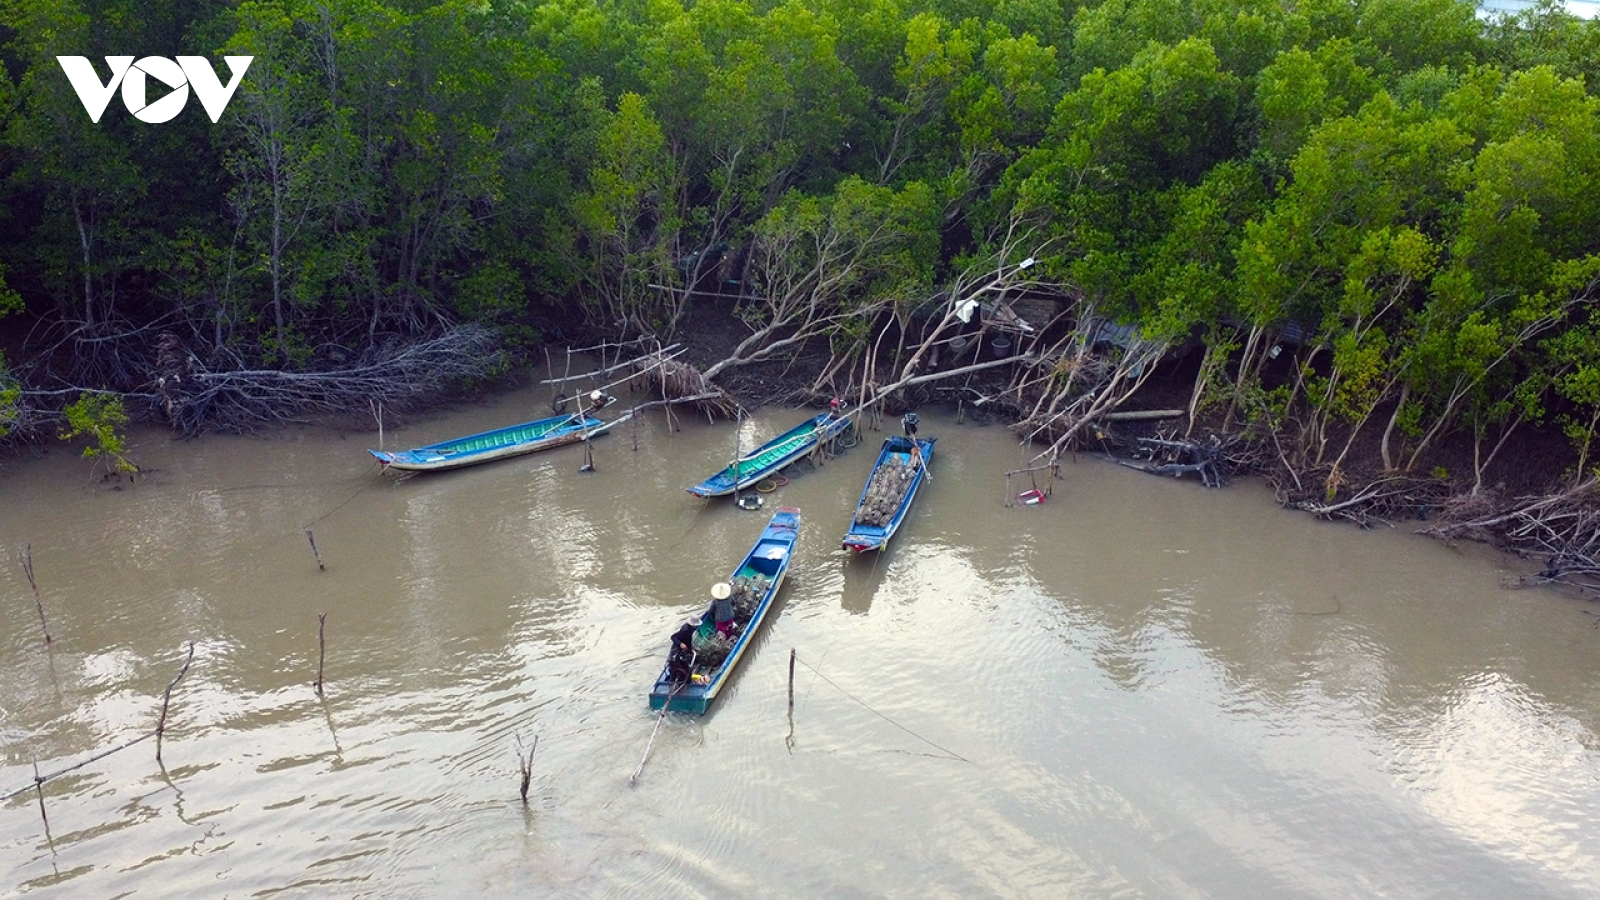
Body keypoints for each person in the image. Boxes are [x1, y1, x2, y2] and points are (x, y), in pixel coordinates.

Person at [667, 619, 697, 683]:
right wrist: (680, 644)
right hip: (677, 649)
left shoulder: (691, 629)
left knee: (686, 660)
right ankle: (674, 679)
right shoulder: (685, 629)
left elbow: (688, 640)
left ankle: (684, 677)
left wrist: (690, 649)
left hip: (684, 648)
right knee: (675, 662)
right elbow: (673, 637)